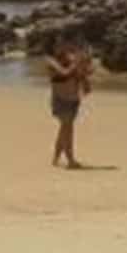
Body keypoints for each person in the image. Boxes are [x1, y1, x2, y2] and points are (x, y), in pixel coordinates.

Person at [45, 34, 92, 169]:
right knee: (68, 129)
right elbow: (64, 73)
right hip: (60, 100)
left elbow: (81, 74)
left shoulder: (70, 58)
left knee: (64, 129)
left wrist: (85, 79)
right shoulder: (50, 61)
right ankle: (70, 160)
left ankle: (56, 158)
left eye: (63, 44)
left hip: (73, 99)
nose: (62, 47)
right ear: (53, 47)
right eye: (59, 45)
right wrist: (77, 62)